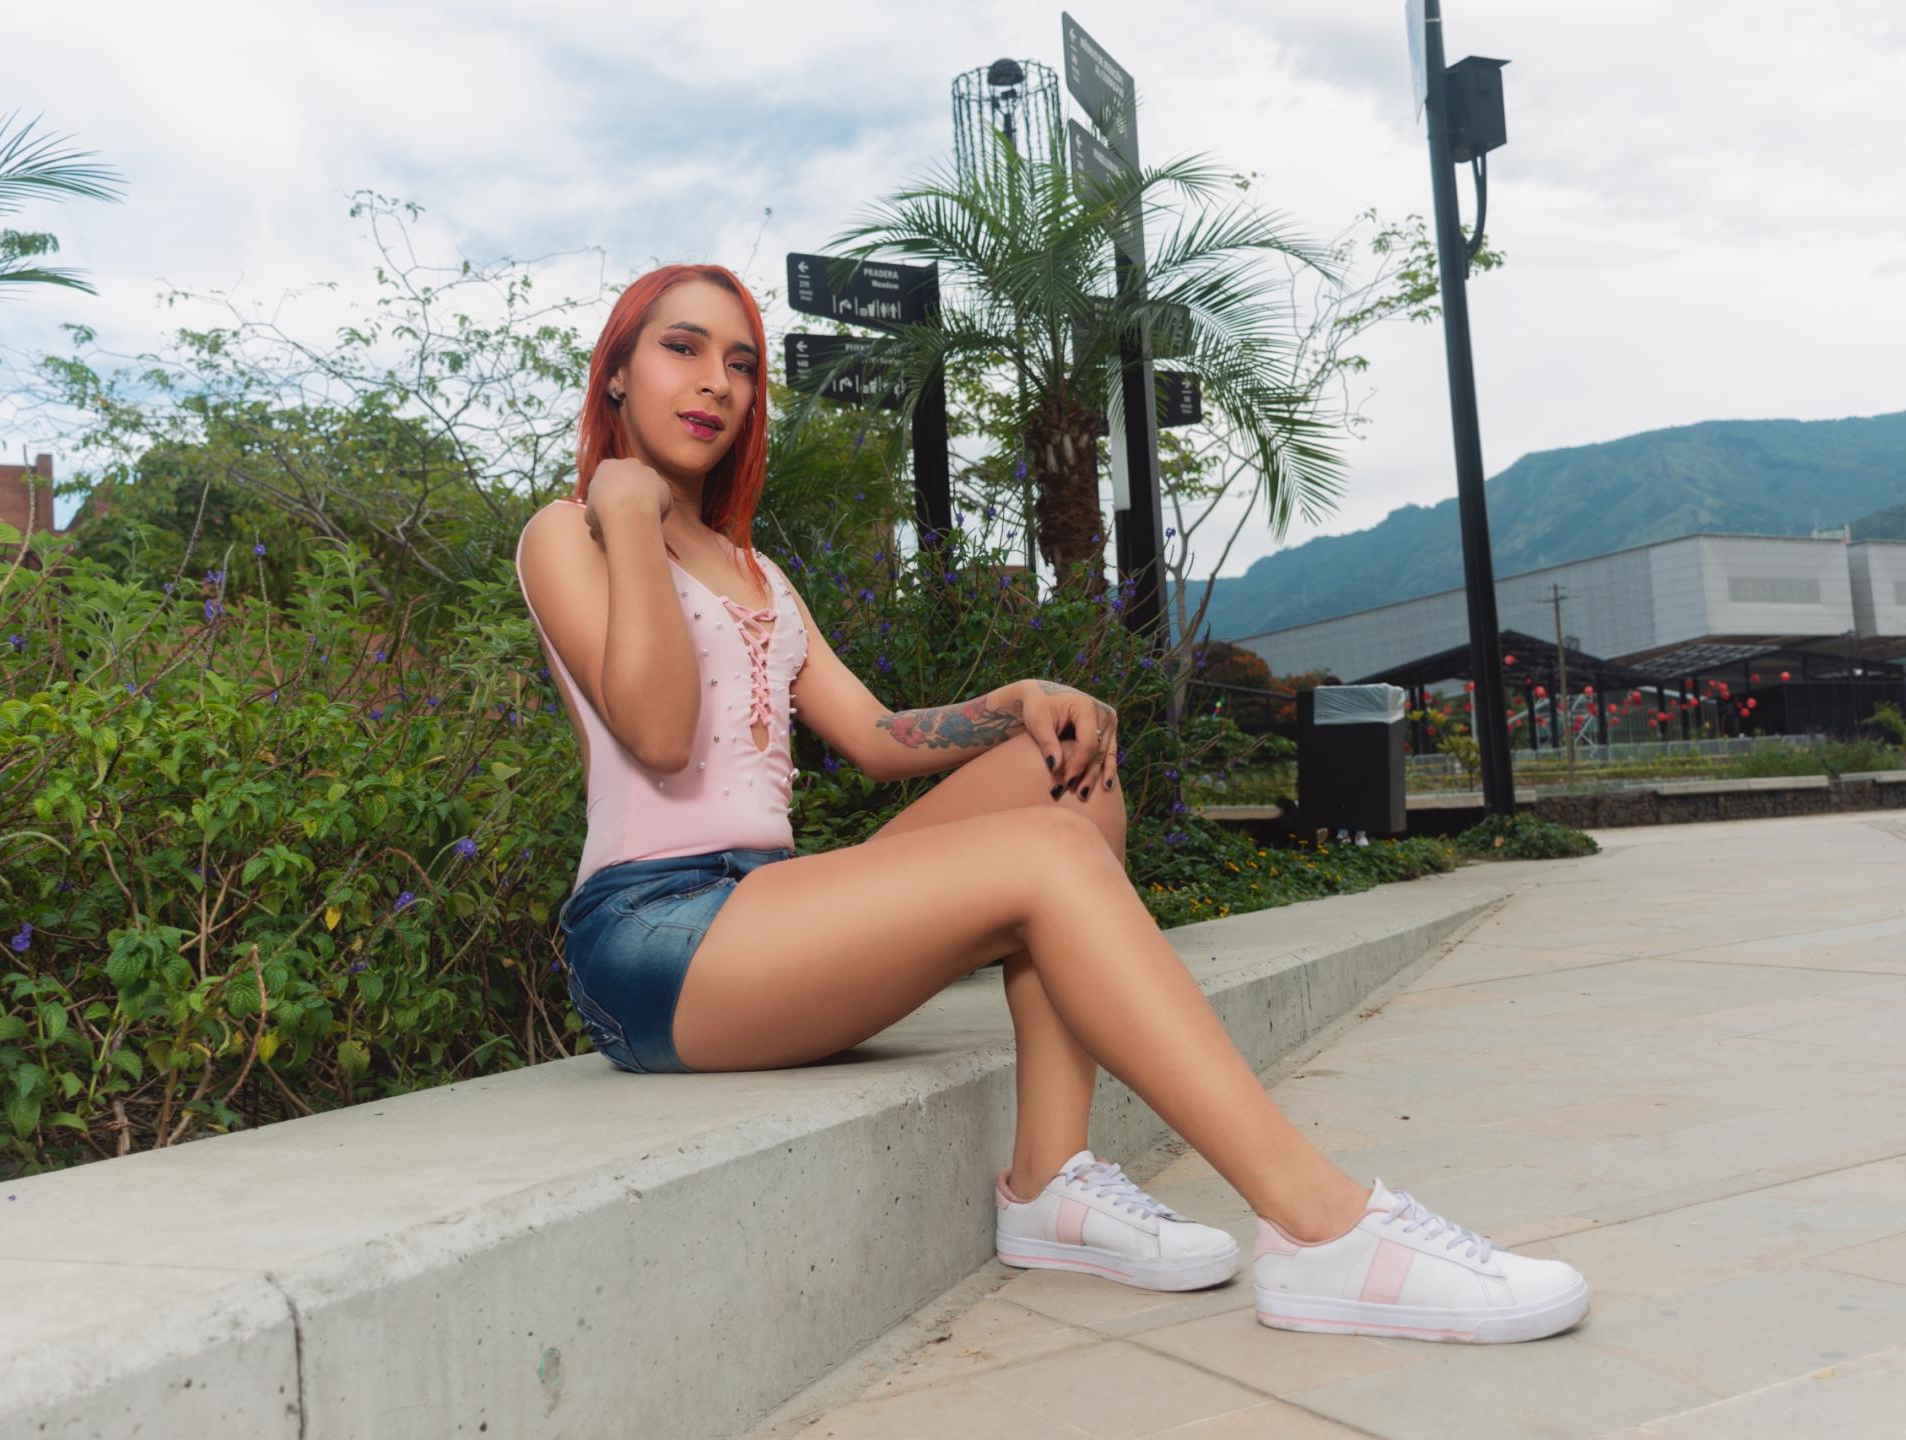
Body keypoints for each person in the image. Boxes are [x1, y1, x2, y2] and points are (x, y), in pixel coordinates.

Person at [514, 262, 1590, 1344]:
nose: (717, 381)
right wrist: (627, 511)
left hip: (763, 911)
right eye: (683, 348)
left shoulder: (758, 572)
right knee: (1044, 856)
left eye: (742, 363)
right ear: (617, 373)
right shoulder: (572, 533)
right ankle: (1322, 1229)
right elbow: (657, 734)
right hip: (651, 938)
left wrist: (1013, 703)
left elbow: (875, 740)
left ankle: (1050, 1181)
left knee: (1071, 771)